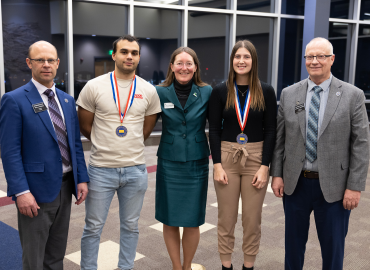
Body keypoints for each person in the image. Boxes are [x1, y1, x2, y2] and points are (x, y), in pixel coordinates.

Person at [270, 37, 370, 270]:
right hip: (296, 184)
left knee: (333, 248)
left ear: (332, 59)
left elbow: (361, 144)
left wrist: (355, 186)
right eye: (310, 57)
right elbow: (280, 140)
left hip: (336, 187)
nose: (314, 61)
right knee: (293, 247)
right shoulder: (288, 93)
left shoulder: (352, 95)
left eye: (321, 56)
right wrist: (277, 174)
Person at [0, 40, 89, 270]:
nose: (46, 64)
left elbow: (75, 145)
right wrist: (21, 192)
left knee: (56, 255)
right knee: (34, 259)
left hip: (66, 186)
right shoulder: (14, 100)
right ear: (29, 63)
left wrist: (82, 179)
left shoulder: (67, 100)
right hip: (35, 191)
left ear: (58, 63)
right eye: (40, 60)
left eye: (51, 60)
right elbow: (10, 152)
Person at [77, 35, 161, 270]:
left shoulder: (148, 89)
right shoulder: (94, 86)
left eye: (134, 53)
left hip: (135, 170)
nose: (129, 56)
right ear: (113, 55)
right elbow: (85, 125)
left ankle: (126, 267)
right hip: (101, 170)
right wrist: (106, 143)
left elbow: (147, 127)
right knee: (93, 227)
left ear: (139, 57)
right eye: (124, 52)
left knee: (131, 226)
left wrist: (127, 144)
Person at [208, 40, 277, 270]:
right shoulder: (220, 90)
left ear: (253, 60)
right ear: (232, 61)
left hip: (255, 159)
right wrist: (217, 164)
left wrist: (264, 165)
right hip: (227, 157)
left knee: (251, 219)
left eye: (246, 57)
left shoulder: (265, 91)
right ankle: (226, 266)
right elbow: (215, 130)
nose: (241, 61)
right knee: (226, 219)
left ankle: (249, 266)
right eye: (237, 57)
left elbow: (271, 130)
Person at [155, 47, 212, 270]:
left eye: (189, 63)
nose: (184, 68)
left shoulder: (206, 91)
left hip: (197, 162)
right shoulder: (159, 92)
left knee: (193, 218)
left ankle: (187, 266)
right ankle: (176, 266)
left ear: (195, 67)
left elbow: (217, 124)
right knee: (169, 218)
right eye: (179, 63)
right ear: (171, 66)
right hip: (169, 161)